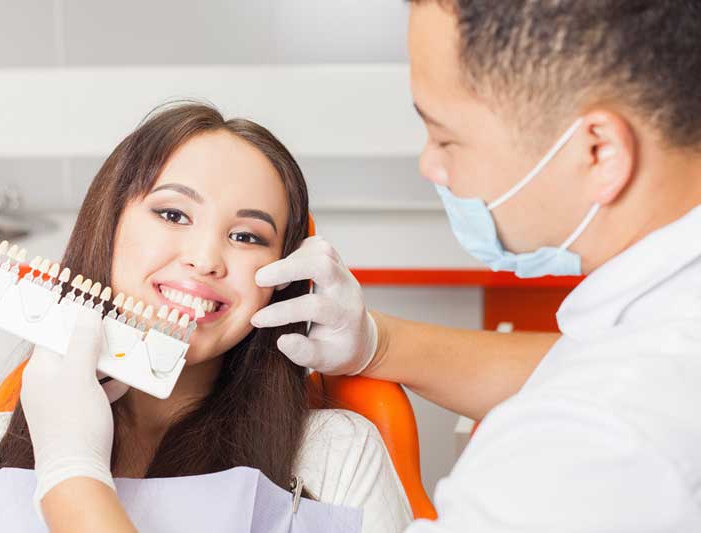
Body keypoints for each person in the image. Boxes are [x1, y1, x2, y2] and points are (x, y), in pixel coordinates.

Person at [253, 1, 701, 530]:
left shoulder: (591, 445)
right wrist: (377, 343)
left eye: (446, 138)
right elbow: (573, 360)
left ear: (598, 151)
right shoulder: (658, 328)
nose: (430, 165)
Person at [0, 102, 412, 532]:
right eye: (173, 215)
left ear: (281, 277)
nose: (204, 259)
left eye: (247, 237)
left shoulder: (337, 458)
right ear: (105, 228)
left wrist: (70, 470)